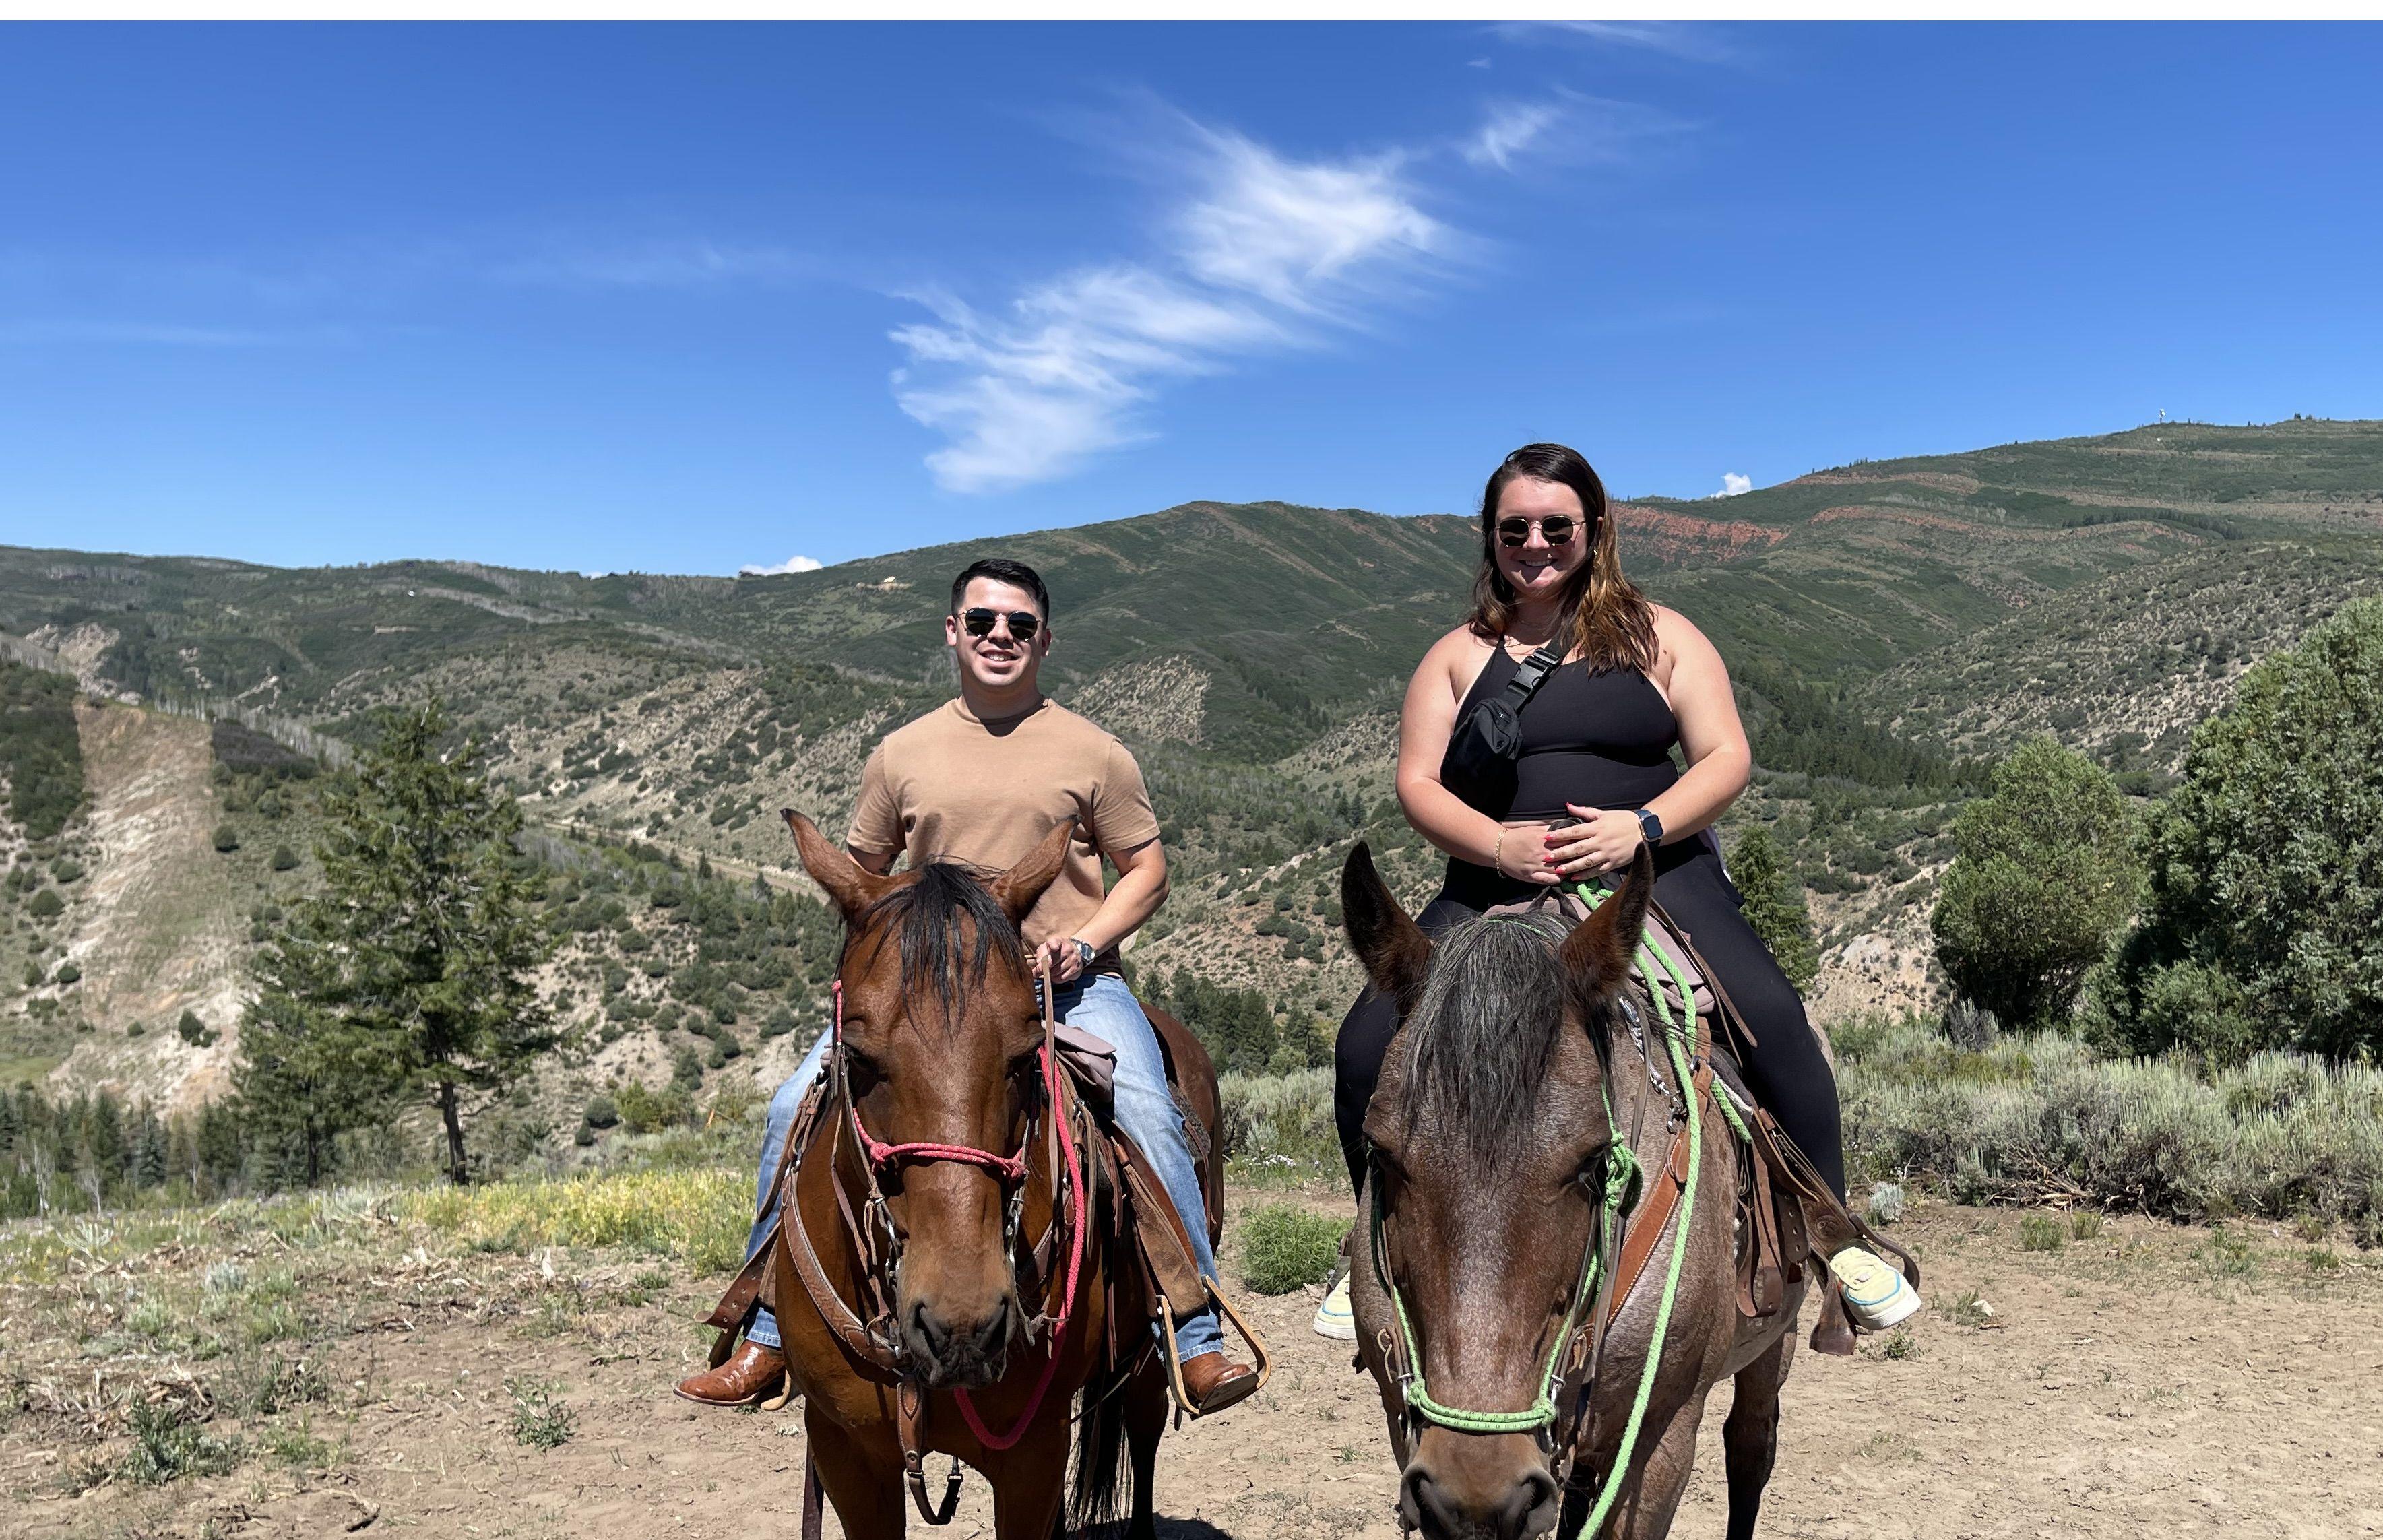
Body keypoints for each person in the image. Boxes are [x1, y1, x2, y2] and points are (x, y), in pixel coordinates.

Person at [1316, 439, 1913, 1341]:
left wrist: (1637, 829)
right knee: (1367, 1042)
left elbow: (1726, 758)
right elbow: (1419, 785)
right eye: (1514, 527)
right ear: (1490, 536)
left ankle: (1835, 1233)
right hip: (1490, 882)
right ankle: (1378, 1244)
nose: (1535, 543)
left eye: (1556, 526)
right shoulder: (1454, 656)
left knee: (1773, 1017)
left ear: (1594, 531)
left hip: (1654, 876)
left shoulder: (1660, 635)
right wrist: (1498, 846)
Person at [681, 554, 1258, 1413]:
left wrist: (1086, 942)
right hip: (934, 1002)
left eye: (1019, 625)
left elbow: (1148, 871)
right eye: (982, 621)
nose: (1000, 637)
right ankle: (767, 1329)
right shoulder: (902, 753)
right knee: (790, 1105)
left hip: (1066, 985)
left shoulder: (1094, 751)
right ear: (952, 631)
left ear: (1046, 640)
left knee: (1144, 1107)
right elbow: (868, 881)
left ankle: (1194, 1328)